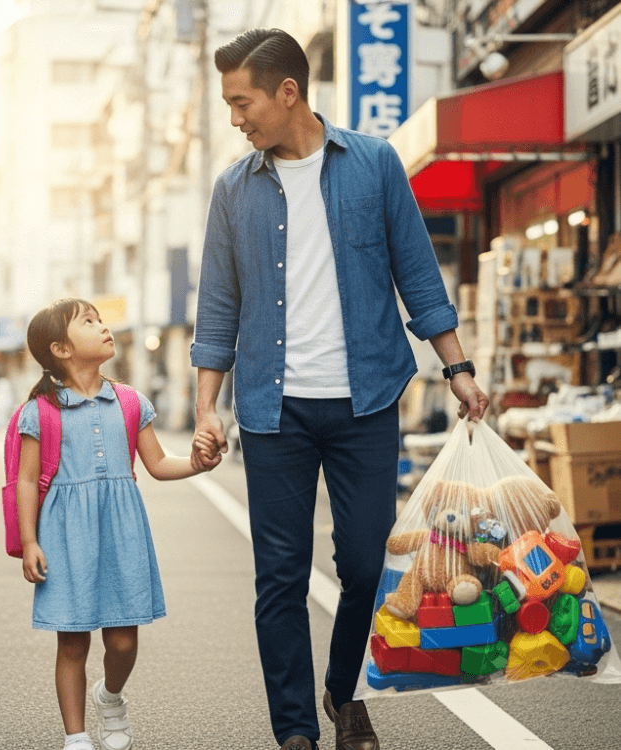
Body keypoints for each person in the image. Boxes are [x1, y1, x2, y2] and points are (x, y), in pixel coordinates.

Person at [190, 28, 489, 750]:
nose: (235, 118)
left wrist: (459, 368)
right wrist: (206, 406)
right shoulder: (234, 189)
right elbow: (218, 308)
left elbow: (416, 273)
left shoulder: (375, 164)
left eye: (242, 101)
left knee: (365, 564)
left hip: (366, 400)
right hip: (272, 409)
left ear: (287, 91)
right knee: (280, 578)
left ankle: (341, 687)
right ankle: (295, 731)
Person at [17, 298, 220, 750]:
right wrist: (30, 540)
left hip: (122, 532)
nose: (102, 327)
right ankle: (75, 737)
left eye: (99, 320)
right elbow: (27, 480)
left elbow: (158, 464)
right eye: (88, 323)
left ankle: (110, 697)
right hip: (66, 537)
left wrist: (198, 464)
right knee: (72, 643)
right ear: (61, 350)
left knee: (124, 641)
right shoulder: (42, 411)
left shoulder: (129, 401)